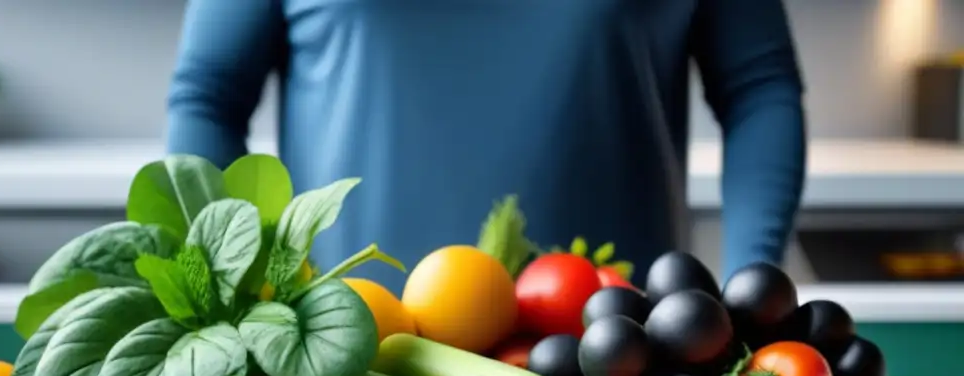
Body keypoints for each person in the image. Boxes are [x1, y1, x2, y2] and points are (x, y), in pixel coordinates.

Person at [166, 0, 806, 294]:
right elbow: (210, 96)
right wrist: (235, 293)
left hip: (623, 364)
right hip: (344, 364)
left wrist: (753, 291)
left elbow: (757, 86)